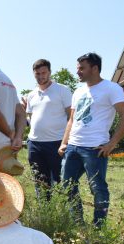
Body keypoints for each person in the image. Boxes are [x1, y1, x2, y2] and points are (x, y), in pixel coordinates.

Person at [58, 52, 124, 226]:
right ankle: (78, 223)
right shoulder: (78, 91)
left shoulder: (111, 88)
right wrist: (64, 142)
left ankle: (98, 226)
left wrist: (112, 143)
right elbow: (72, 119)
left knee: (97, 188)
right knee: (67, 186)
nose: (78, 72)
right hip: (73, 147)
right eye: (77, 68)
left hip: (94, 149)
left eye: (81, 68)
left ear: (94, 68)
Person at [22, 59, 72, 199]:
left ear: (50, 72)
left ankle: (63, 214)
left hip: (57, 143)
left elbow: (71, 117)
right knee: (40, 182)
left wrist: (67, 141)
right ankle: (44, 212)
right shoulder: (31, 95)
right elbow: (31, 120)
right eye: (37, 73)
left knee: (61, 181)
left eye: (43, 73)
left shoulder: (62, 90)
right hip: (35, 144)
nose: (41, 76)